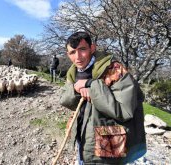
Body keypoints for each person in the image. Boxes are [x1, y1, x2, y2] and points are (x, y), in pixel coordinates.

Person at [59, 32, 146, 164]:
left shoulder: (115, 70)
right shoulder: (73, 72)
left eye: (82, 49)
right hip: (83, 139)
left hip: (107, 145)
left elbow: (125, 111)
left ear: (92, 48)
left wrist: (91, 85)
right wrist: (75, 89)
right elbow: (65, 100)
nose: (78, 57)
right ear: (68, 54)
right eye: (72, 52)